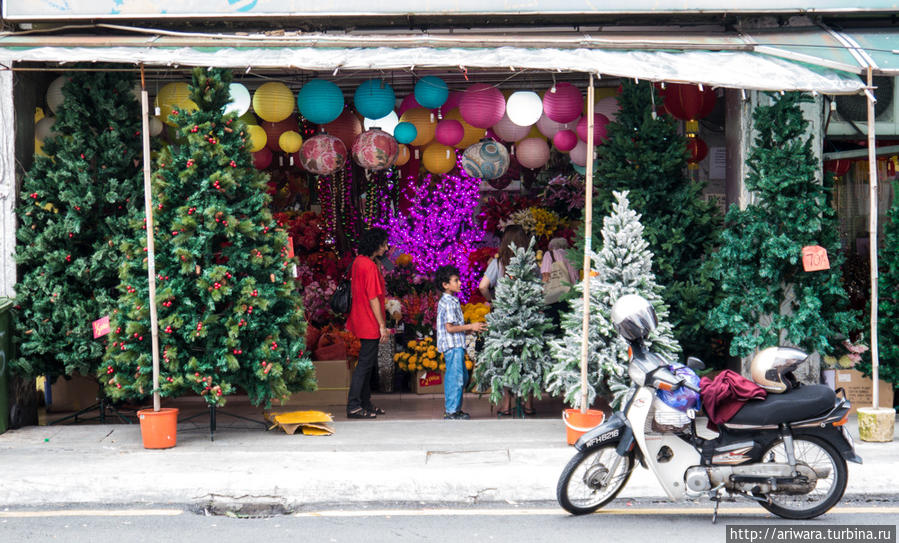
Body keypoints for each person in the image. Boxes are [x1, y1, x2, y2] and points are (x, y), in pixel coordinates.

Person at [476, 224, 536, 416]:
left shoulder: (498, 263)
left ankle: (506, 404)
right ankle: (528, 404)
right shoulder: (530, 263)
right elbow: (539, 288)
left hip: (503, 318)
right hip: (528, 317)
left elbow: (483, 286)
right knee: (528, 359)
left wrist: (493, 301)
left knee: (504, 359)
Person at [345, 227, 391, 419]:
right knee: (365, 365)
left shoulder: (359, 262)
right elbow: (373, 298)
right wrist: (382, 325)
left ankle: (364, 403)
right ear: (376, 245)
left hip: (359, 317)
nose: (386, 247)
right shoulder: (370, 266)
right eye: (384, 244)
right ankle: (354, 405)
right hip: (369, 320)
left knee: (366, 363)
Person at [436, 265, 487, 420]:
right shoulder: (449, 302)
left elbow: (453, 327)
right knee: (456, 378)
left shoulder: (451, 300)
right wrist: (471, 326)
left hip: (456, 345)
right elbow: (450, 328)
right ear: (445, 285)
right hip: (453, 346)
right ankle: (451, 411)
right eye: (455, 281)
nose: (459, 283)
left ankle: (455, 409)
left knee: (461, 377)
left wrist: (468, 331)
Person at [478, 225, 530, 303]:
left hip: (505, 309)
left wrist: (491, 301)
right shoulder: (530, 261)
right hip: (526, 307)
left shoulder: (498, 263)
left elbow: (482, 286)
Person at [541, 237, 578, 332]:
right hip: (568, 294)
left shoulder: (549, 254)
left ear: (552, 247)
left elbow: (546, 275)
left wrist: (542, 292)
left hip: (553, 295)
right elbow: (575, 277)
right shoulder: (572, 256)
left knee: (553, 327)